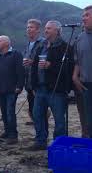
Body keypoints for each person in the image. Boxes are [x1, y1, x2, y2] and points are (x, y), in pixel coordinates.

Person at [28, 20, 74, 150]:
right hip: (40, 88)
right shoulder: (41, 46)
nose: (45, 30)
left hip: (56, 89)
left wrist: (50, 66)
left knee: (59, 119)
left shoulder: (65, 47)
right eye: (46, 28)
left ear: (57, 31)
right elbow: (35, 67)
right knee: (37, 115)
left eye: (49, 28)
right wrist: (34, 85)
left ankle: (58, 144)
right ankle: (41, 141)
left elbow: (68, 69)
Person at [73, 5, 92, 139]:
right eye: (83, 15)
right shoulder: (80, 38)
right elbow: (78, 60)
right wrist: (75, 76)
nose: (83, 18)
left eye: (87, 15)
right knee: (91, 121)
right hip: (87, 86)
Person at [0, 35, 24, 144]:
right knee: (4, 112)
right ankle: (7, 131)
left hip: (12, 89)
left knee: (10, 112)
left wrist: (19, 86)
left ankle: (13, 135)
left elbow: (20, 71)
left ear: (6, 43)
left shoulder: (16, 54)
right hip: (0, 89)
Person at [23, 19, 45, 125]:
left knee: (40, 110)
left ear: (38, 30)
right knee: (32, 108)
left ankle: (42, 136)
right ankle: (38, 132)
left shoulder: (43, 43)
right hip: (29, 83)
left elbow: (45, 61)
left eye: (31, 27)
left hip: (39, 83)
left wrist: (33, 62)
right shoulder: (28, 44)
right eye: (27, 27)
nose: (28, 29)